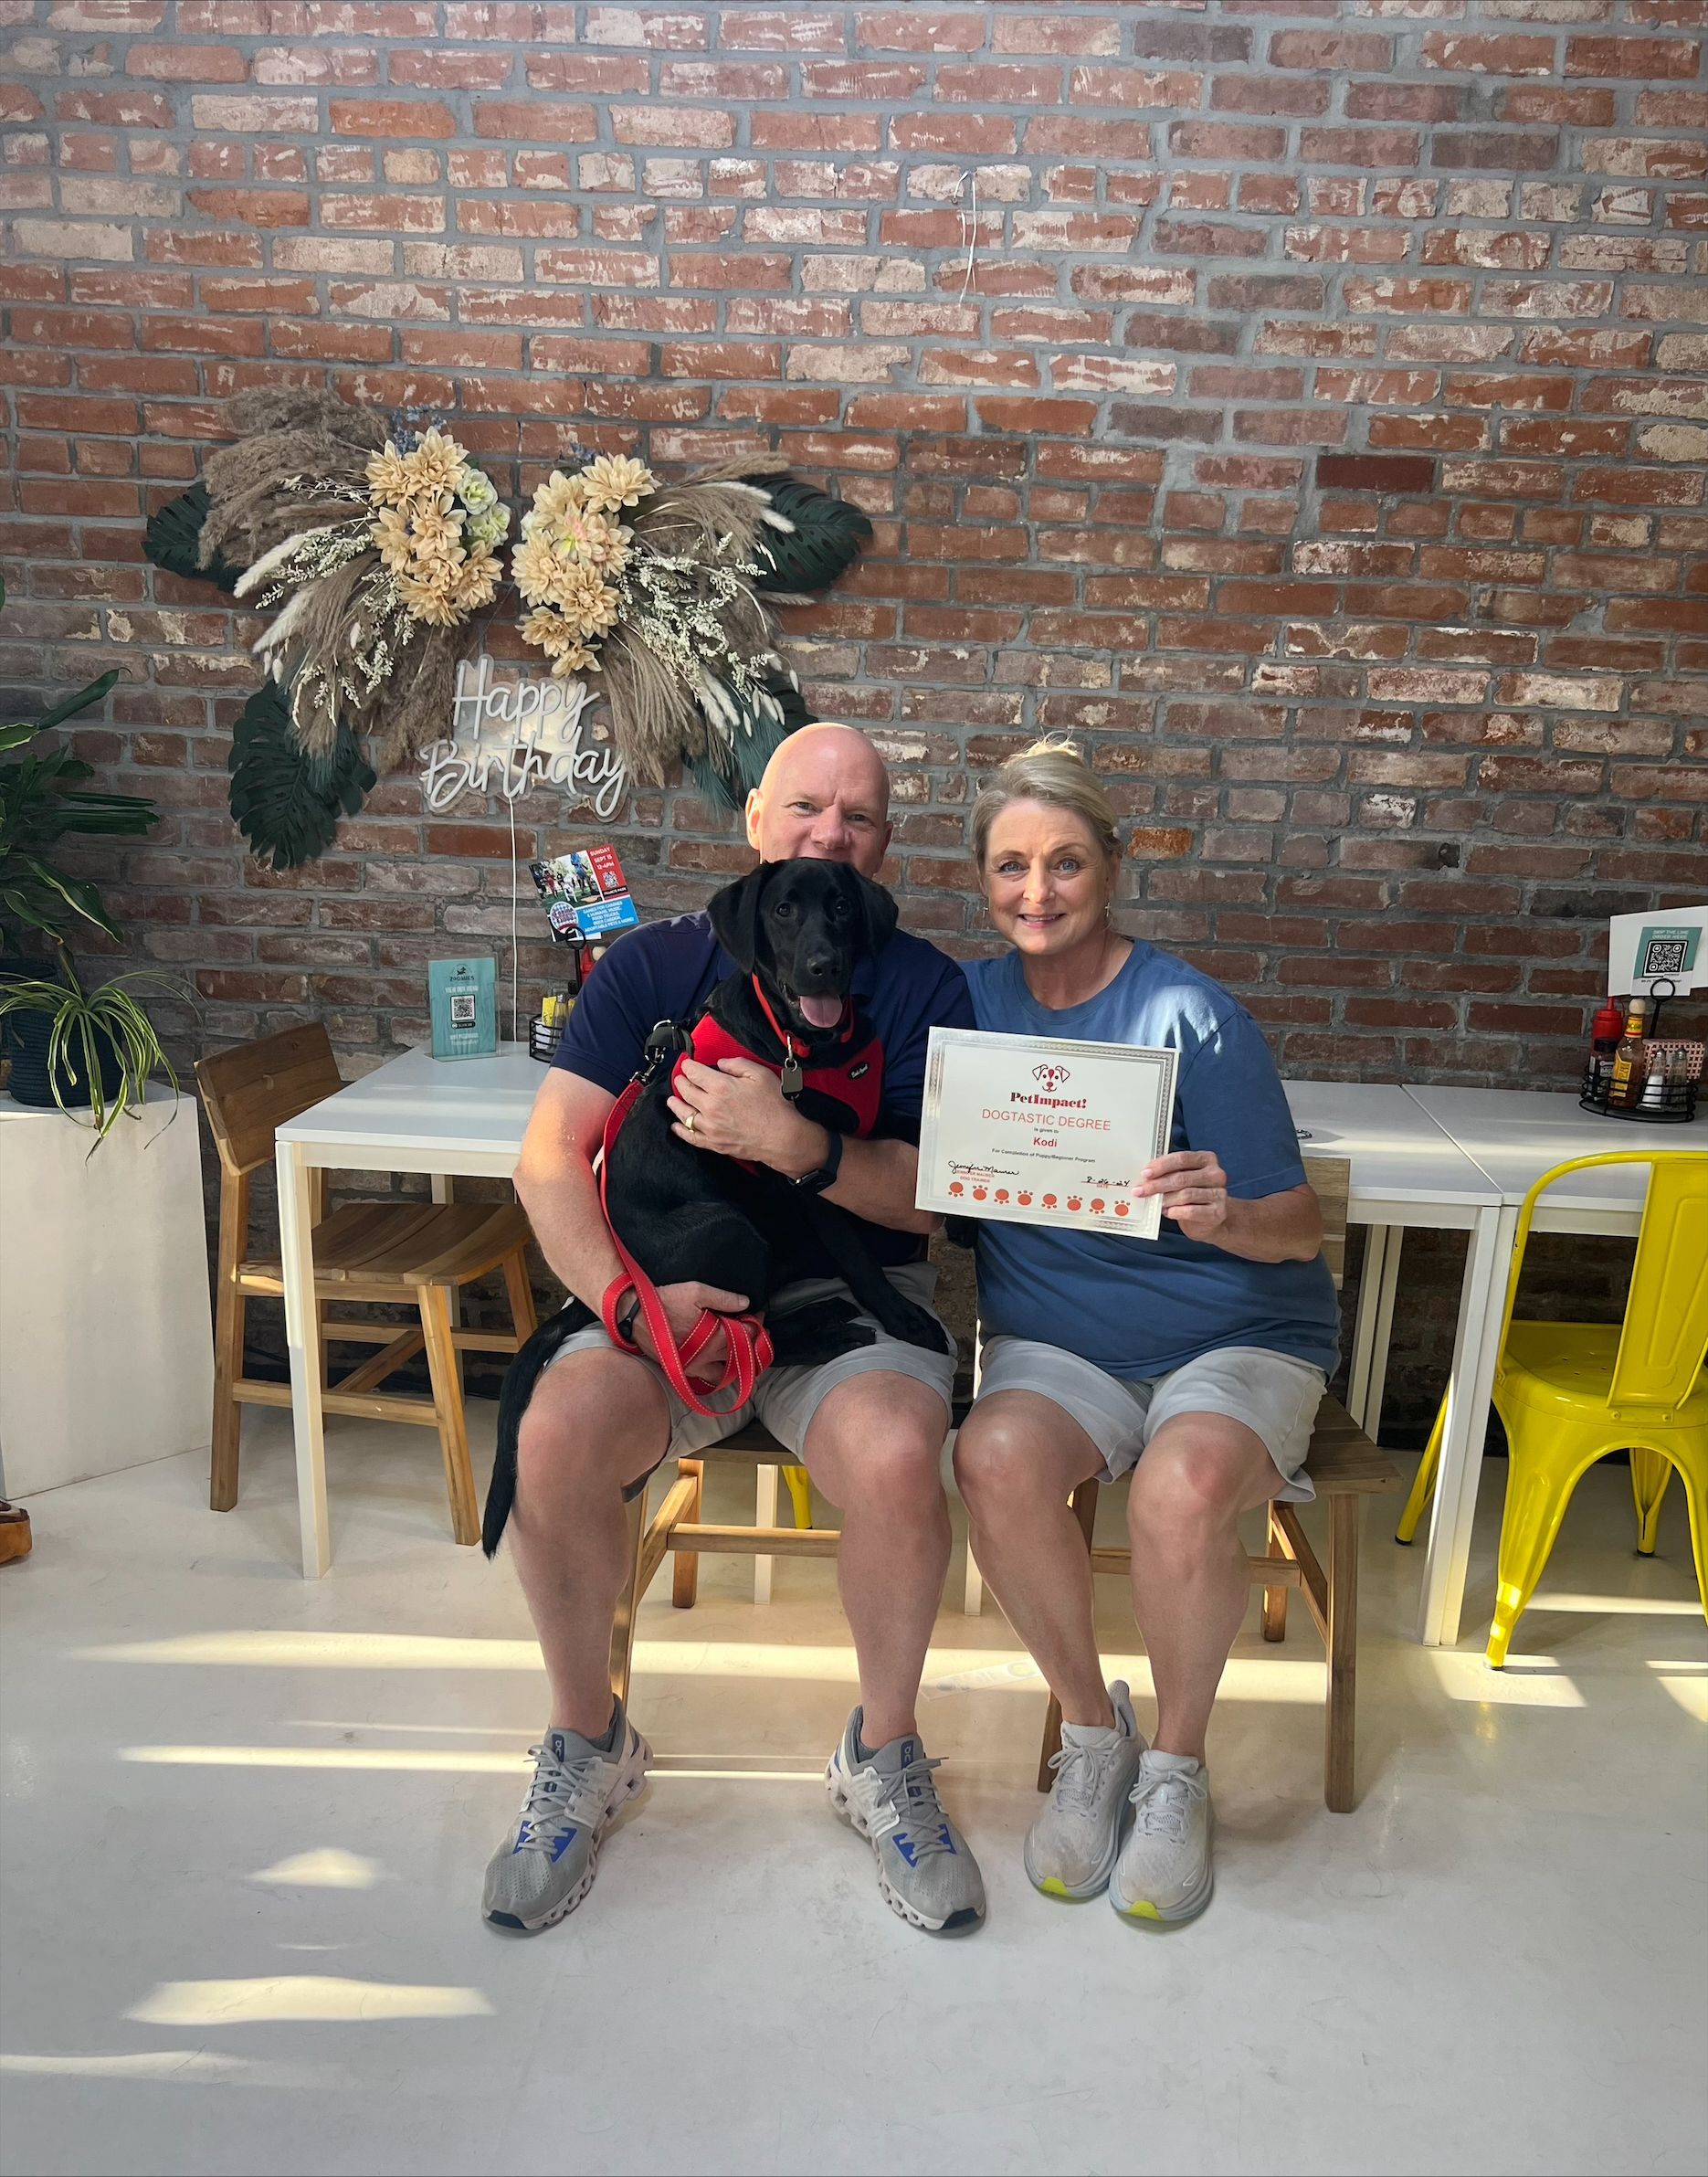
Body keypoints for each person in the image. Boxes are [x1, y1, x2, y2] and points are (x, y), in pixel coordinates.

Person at [485, 724, 987, 1939]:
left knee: (891, 1456)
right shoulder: (651, 965)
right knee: (555, 1437)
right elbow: (549, 1157)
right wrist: (624, 1304)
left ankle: (882, 1752)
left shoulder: (925, 985)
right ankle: (586, 1741)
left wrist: (796, 1144)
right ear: (756, 821)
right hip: (671, 1295)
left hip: (845, 1295)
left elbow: (937, 1199)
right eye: (806, 807)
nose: (829, 833)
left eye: (858, 818)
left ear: (882, 848)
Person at [952, 740, 1339, 1925]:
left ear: (1110, 868)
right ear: (981, 877)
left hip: (1233, 1332)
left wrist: (1221, 1214)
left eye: (1064, 863)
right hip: (1061, 1346)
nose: (1036, 891)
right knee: (990, 1458)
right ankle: (1090, 1732)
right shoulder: (963, 1008)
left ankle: (1174, 1770)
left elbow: (1296, 1227)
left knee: (1178, 1492)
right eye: (1010, 866)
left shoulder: (1189, 1012)